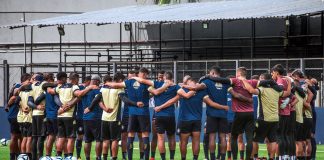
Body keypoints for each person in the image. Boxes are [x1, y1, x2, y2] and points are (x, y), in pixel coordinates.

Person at [105, 67, 152, 160]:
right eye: (129, 77)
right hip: (135, 113)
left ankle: (136, 157)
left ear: (136, 75)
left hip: (132, 113)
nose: (130, 78)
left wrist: (106, 83)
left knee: (133, 135)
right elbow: (154, 92)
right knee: (139, 135)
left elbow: (116, 86)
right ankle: (129, 156)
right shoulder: (145, 83)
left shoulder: (128, 83)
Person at [46, 72, 96, 158]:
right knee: (71, 138)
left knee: (61, 137)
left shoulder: (60, 87)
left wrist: (51, 84)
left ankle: (58, 156)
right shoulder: (74, 86)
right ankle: (69, 156)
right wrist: (89, 88)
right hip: (69, 116)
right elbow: (79, 94)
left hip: (60, 115)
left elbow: (49, 90)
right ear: (75, 79)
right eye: (78, 79)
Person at [131, 71, 178, 160]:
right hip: (159, 114)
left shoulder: (157, 84)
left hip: (160, 114)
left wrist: (134, 78)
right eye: (159, 77)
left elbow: (145, 82)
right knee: (156, 136)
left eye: (161, 77)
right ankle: (152, 157)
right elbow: (152, 91)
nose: (160, 78)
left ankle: (161, 157)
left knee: (162, 137)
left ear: (164, 77)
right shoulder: (158, 85)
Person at [243, 73, 290, 160]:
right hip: (275, 119)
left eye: (260, 78)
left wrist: (244, 81)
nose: (259, 80)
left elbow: (251, 90)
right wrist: (289, 82)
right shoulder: (277, 90)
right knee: (272, 140)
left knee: (254, 139)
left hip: (263, 119)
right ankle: (271, 158)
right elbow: (288, 93)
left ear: (264, 80)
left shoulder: (262, 89)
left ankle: (253, 157)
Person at [6, 74, 30, 160]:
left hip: (15, 114)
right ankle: (13, 156)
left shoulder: (17, 86)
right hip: (16, 115)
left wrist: (7, 105)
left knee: (20, 137)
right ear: (27, 79)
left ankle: (18, 156)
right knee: (15, 136)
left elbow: (10, 100)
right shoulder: (19, 86)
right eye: (30, 79)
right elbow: (13, 97)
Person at [27, 73, 47, 160]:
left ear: (35, 79)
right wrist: (38, 105)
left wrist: (35, 106)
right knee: (41, 137)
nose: (31, 79)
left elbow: (29, 102)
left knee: (34, 137)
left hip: (34, 114)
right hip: (41, 113)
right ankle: (40, 157)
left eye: (33, 78)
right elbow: (43, 96)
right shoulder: (44, 84)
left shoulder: (32, 86)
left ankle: (34, 158)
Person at [15, 73, 33, 159]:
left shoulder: (20, 92)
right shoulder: (31, 92)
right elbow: (31, 103)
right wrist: (27, 109)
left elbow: (16, 102)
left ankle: (22, 156)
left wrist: (22, 108)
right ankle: (28, 156)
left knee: (24, 138)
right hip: (28, 117)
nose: (30, 82)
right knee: (29, 138)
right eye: (29, 81)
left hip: (20, 117)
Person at [75, 76, 91, 160]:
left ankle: (88, 157)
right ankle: (78, 156)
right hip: (80, 117)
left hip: (90, 117)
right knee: (80, 136)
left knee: (89, 138)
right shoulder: (80, 88)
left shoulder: (93, 88)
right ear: (87, 81)